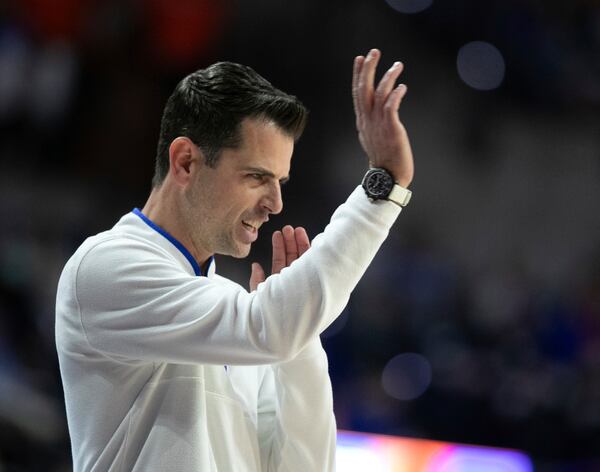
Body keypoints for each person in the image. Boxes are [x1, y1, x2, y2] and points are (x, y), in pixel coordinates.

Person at [55, 48, 415, 471]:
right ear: (186, 162)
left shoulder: (237, 309)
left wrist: (299, 338)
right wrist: (381, 192)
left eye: (279, 181)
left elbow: (304, 465)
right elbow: (265, 328)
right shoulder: (106, 267)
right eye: (257, 177)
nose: (276, 203)